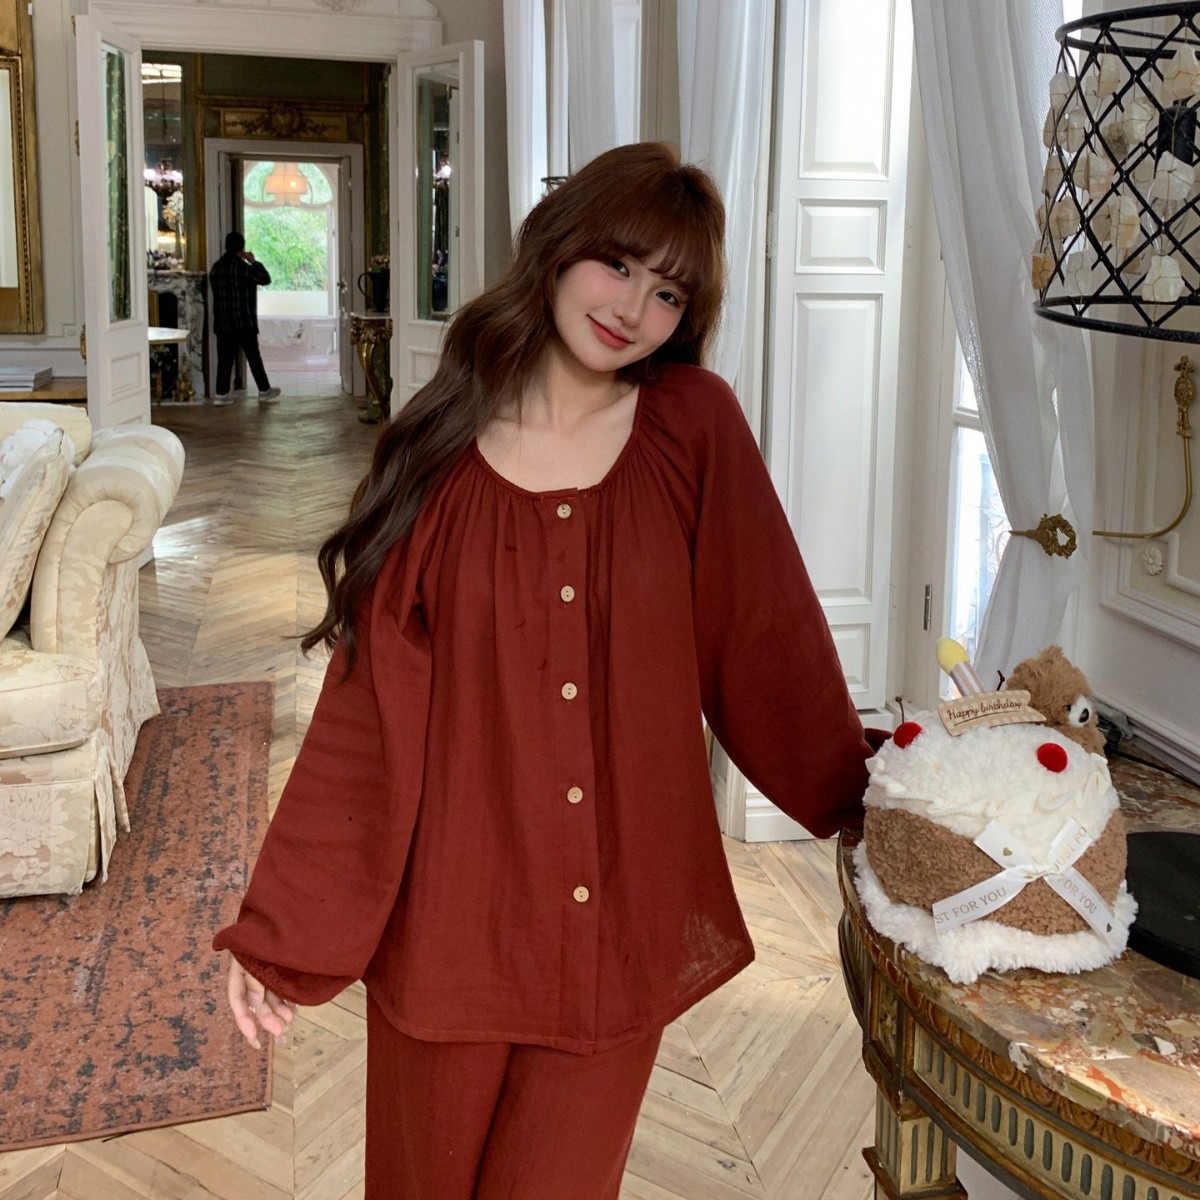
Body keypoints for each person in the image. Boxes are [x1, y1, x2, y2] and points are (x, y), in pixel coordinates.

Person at [213, 142, 880, 1200]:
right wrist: (286, 931)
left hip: (618, 918)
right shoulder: (437, 450)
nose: (634, 310)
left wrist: (874, 803)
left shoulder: (693, 428)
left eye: (670, 294)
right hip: (453, 918)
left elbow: (766, 637)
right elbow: (368, 715)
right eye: (620, 265)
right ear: (561, 248)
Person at [209, 231, 282, 405]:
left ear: (226, 246)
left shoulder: (216, 268)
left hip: (223, 322)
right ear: (241, 249)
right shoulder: (244, 268)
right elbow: (265, 279)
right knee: (253, 357)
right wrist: (253, 261)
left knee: (225, 359)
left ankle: (221, 394)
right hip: (244, 321)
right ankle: (264, 390)